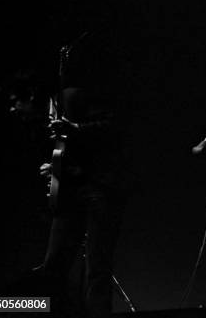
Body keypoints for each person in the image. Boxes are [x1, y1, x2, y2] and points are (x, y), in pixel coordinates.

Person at [34, 30, 127, 318]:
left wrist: (75, 131)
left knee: (97, 266)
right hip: (71, 187)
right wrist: (55, 165)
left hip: (100, 185)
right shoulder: (58, 97)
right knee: (55, 264)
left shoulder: (101, 91)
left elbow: (115, 131)